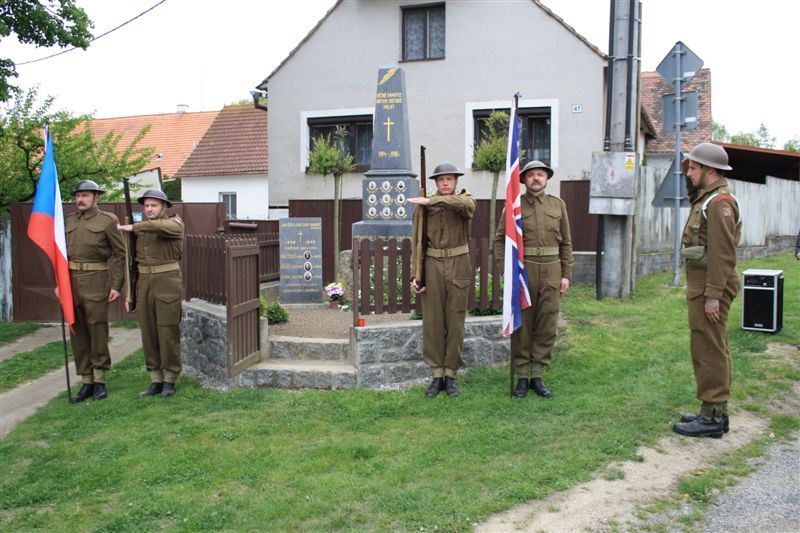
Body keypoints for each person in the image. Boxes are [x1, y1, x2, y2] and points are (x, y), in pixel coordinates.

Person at [673, 143, 741, 438]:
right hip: (704, 287)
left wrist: (713, 295)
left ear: (710, 170)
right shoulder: (707, 199)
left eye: (694, 167)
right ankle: (714, 411)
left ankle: (712, 418)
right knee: (709, 347)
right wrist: (688, 170)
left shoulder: (719, 204)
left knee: (709, 350)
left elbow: (723, 255)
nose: (689, 172)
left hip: (710, 288)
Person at [493, 161, 573, 399]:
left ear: (546, 178)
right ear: (524, 179)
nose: (536, 178)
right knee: (523, 324)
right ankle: (522, 377)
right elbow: (500, 240)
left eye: (540, 174)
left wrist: (566, 274)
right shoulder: (514, 207)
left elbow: (566, 243)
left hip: (552, 270)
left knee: (546, 324)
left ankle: (537, 375)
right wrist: (505, 271)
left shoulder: (558, 206)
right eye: (531, 175)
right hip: (524, 270)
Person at [408, 162, 476, 398]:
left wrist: (432, 201)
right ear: (435, 182)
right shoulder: (423, 208)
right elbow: (417, 241)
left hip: (459, 265)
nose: (446, 183)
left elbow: (466, 206)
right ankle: (437, 375)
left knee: (455, 321)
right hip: (433, 265)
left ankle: (451, 374)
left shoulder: (464, 200)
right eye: (441, 180)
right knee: (433, 323)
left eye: (450, 179)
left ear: (456, 182)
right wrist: (416, 274)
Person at [63, 180, 126, 402]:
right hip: (71, 282)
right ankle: (86, 381)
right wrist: (58, 283)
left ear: (96, 197)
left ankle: (100, 380)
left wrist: (117, 286)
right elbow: (61, 256)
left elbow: (121, 255)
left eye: (85, 195)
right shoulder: (69, 221)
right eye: (78, 196)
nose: (80, 200)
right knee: (77, 330)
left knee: (97, 330)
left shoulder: (108, 221)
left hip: (96, 280)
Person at [118, 189, 184, 398]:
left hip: (167, 281)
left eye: (154, 205)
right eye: (146, 206)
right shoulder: (140, 229)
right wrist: (131, 294)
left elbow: (160, 227)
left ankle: (170, 379)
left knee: (167, 331)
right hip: (144, 282)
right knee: (148, 332)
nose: (149, 209)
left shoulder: (174, 223)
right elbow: (132, 264)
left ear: (164, 207)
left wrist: (134, 226)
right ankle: (155, 378)